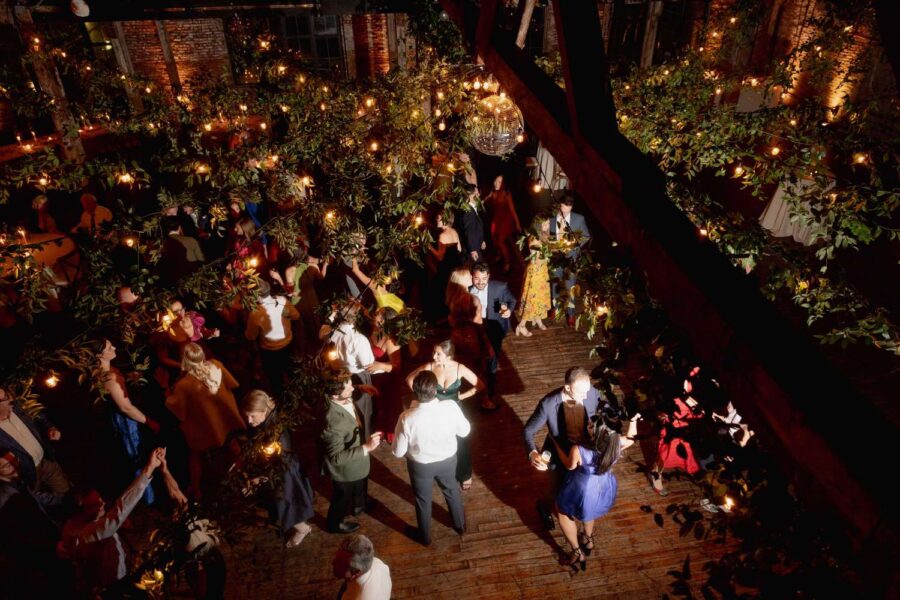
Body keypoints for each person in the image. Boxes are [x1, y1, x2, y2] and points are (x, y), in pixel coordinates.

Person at [59, 448, 171, 594]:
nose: (103, 505)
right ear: (79, 515)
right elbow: (117, 515)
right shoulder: (81, 534)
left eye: (101, 500)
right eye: (96, 505)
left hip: (127, 566)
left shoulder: (84, 522)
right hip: (116, 587)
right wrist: (148, 469)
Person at [523, 367, 609, 531]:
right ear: (568, 387)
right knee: (555, 490)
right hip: (558, 454)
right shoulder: (548, 404)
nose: (586, 396)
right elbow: (528, 431)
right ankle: (544, 507)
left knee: (584, 491)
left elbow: (602, 414)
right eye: (581, 393)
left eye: (587, 391)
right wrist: (533, 453)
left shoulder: (592, 393)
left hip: (585, 454)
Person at [393, 371, 470, 546]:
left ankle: (425, 537)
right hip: (448, 460)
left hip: (420, 466)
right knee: (451, 491)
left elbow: (397, 452)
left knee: (422, 500)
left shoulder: (407, 417)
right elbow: (464, 431)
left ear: (415, 391)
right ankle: (459, 525)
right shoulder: (450, 407)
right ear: (435, 390)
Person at [238, 390, 315, 548]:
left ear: (264, 411)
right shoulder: (265, 422)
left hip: (283, 473)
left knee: (287, 503)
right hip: (273, 469)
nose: (249, 420)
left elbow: (281, 463)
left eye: (252, 415)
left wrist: (262, 478)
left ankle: (302, 528)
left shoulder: (277, 435)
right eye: (246, 416)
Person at [166, 343, 245, 497]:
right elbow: (233, 384)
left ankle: (196, 489)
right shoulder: (216, 365)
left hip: (206, 427)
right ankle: (242, 475)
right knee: (234, 447)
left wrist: (165, 390)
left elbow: (177, 410)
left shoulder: (184, 385)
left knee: (195, 455)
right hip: (226, 419)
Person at [405, 341, 484, 489]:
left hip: (455, 410)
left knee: (462, 442)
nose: (434, 356)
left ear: (449, 355)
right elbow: (409, 379)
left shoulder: (460, 368)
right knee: (438, 438)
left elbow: (479, 385)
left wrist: (462, 396)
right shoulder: (430, 367)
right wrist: (423, 396)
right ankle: (442, 471)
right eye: (434, 352)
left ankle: (465, 474)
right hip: (435, 410)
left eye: (438, 354)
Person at [553, 409, 621, 571]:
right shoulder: (616, 443)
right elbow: (632, 438)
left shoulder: (579, 449)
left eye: (591, 425)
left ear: (596, 433)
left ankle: (577, 552)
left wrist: (556, 445)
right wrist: (634, 420)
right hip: (603, 486)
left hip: (582, 488)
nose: (588, 424)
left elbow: (569, 465)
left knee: (562, 512)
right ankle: (588, 540)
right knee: (589, 512)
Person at [97, 339, 158, 504]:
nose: (114, 347)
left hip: (129, 415)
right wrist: (149, 422)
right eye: (110, 347)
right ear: (99, 354)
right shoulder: (107, 378)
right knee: (136, 457)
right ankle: (148, 497)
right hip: (125, 422)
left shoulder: (110, 369)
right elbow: (125, 407)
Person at [321, 376, 382, 534]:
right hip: (344, 471)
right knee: (342, 498)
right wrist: (366, 447)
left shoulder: (340, 394)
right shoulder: (333, 422)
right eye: (349, 388)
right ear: (335, 395)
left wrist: (361, 388)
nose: (353, 389)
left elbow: (348, 388)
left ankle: (359, 506)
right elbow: (336, 458)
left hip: (357, 463)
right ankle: (335, 524)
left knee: (361, 484)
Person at [0, 386, 70, 495]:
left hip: (46, 462)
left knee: (66, 494)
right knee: (44, 507)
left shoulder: (18, 406)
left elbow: (40, 416)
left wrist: (50, 428)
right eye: (4, 399)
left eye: (6, 395)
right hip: (27, 476)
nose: (10, 399)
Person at [469, 262, 516, 410]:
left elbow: (511, 300)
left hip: (494, 327)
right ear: (471, 277)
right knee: (475, 359)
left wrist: (508, 310)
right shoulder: (466, 290)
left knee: (492, 360)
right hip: (474, 328)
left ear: (489, 276)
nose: (481, 282)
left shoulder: (500, 287)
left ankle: (489, 393)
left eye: (484, 278)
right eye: (477, 278)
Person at [328, 301, 377, 437]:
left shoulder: (330, 331)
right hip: (357, 376)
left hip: (338, 376)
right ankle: (364, 439)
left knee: (347, 409)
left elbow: (323, 330)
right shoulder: (358, 339)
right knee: (362, 411)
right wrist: (386, 368)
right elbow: (368, 365)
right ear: (355, 317)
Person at [245, 279, 300, 393]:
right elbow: (296, 316)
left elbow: (250, 336)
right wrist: (286, 314)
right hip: (288, 344)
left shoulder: (254, 313)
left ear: (257, 297)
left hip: (270, 352)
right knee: (293, 372)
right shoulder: (282, 300)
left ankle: (284, 400)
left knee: (276, 379)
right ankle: (300, 392)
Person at [549, 194, 591, 327]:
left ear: (571, 207)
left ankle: (571, 314)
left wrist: (573, 245)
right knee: (554, 285)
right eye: (562, 206)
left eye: (567, 207)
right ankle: (555, 308)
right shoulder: (552, 218)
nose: (564, 210)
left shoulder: (579, 219)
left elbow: (586, 236)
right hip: (556, 258)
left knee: (570, 287)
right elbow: (547, 235)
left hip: (570, 259)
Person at [515, 218, 551, 337]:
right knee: (532, 297)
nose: (547, 225)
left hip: (542, 271)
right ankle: (521, 325)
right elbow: (536, 258)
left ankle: (538, 318)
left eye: (548, 223)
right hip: (536, 272)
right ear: (538, 225)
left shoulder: (545, 236)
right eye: (545, 223)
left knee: (540, 296)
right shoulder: (534, 239)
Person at [332, 534, 392, 600]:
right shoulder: (376, 562)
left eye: (340, 563)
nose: (332, 563)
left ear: (357, 572)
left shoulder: (360, 597)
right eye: (336, 557)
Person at [484, 174, 521, 272]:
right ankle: (499, 255)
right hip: (496, 219)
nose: (496, 183)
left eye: (499, 182)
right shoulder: (493, 192)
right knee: (493, 238)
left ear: (503, 184)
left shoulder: (506, 193)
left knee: (500, 241)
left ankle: (507, 263)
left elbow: (512, 210)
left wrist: (517, 223)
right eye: (495, 181)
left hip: (506, 220)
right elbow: (485, 202)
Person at [457, 182, 486, 262]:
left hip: (476, 244)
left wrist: (481, 240)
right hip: (473, 249)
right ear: (472, 196)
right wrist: (472, 250)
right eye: (477, 193)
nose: (479, 195)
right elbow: (469, 231)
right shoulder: (468, 211)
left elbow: (476, 227)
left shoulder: (473, 208)